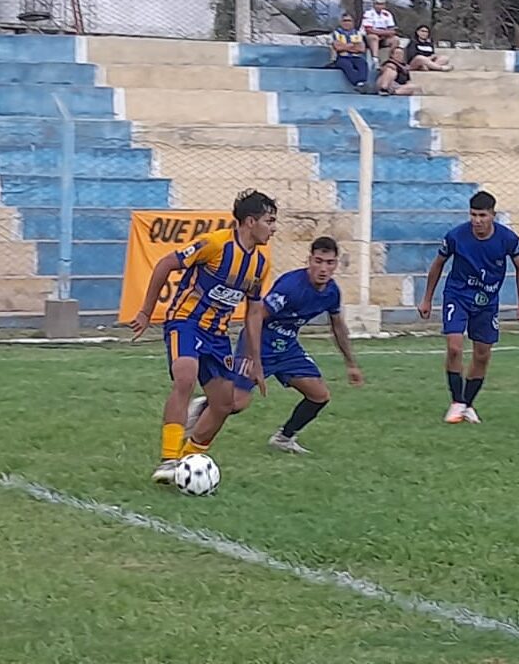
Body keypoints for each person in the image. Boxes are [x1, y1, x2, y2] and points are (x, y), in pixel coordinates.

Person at [129, 190, 277, 484]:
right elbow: (164, 265)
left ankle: (187, 461)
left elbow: (253, 311)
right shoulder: (214, 244)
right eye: (269, 221)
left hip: (218, 334)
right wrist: (146, 312)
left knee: (225, 405)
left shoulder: (260, 264)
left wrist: (256, 361)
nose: (274, 228)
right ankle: (169, 460)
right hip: (186, 321)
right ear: (250, 222)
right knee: (185, 376)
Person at [185, 237, 364, 454]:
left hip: (287, 348)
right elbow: (256, 317)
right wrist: (253, 356)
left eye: (329, 262)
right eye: (318, 261)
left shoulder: (331, 292)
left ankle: (284, 438)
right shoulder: (291, 286)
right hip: (258, 343)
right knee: (236, 404)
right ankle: (204, 406)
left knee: (319, 395)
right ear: (309, 260)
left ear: (336, 264)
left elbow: (338, 326)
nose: (323, 268)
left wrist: (351, 363)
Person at [417, 191, 519, 424]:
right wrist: (427, 298)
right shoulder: (456, 236)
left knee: (482, 354)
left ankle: (466, 405)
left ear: (493, 215)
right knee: (455, 347)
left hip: (487, 301)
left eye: (482, 215)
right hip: (457, 295)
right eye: (473, 215)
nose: (477, 220)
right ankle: (457, 401)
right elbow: (438, 265)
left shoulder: (507, 239)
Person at [330, 13, 368, 90]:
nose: (346, 23)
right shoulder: (336, 33)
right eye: (344, 21)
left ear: (353, 23)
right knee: (347, 65)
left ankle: (361, 83)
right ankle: (358, 83)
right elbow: (337, 47)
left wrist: (344, 46)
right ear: (341, 22)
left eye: (349, 21)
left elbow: (362, 49)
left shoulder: (358, 33)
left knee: (363, 64)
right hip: (341, 57)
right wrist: (353, 45)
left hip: (355, 57)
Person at [361, 0, 399, 68]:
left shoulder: (387, 14)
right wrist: (385, 32)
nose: (379, 6)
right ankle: (375, 60)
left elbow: (392, 30)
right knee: (374, 37)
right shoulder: (368, 13)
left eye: (381, 4)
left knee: (395, 39)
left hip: (383, 37)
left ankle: (390, 59)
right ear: (374, 5)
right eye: (377, 4)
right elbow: (369, 30)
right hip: (368, 38)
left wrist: (384, 33)